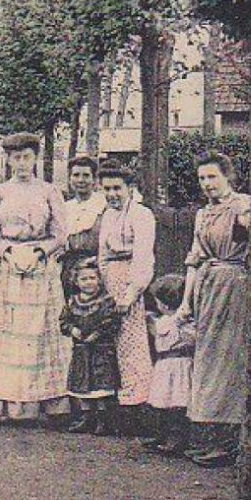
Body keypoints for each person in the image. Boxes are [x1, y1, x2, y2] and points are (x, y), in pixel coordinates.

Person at [0, 133, 70, 423]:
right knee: (9, 334)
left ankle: (46, 403)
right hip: (6, 268)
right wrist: (8, 252)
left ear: (35, 158)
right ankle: (8, 404)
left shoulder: (49, 192)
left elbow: (61, 235)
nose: (21, 163)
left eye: (26, 157)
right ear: (9, 160)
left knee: (40, 333)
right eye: (16, 158)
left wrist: (40, 251)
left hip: (41, 266)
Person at [178, 153, 250, 468]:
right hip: (208, 289)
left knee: (228, 360)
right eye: (202, 179)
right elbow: (194, 261)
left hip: (234, 287)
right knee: (207, 360)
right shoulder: (203, 214)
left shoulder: (242, 205)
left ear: (227, 177)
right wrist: (185, 302)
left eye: (212, 177)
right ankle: (212, 438)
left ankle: (231, 443)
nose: (207, 184)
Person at [96, 162, 156, 435]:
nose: (112, 194)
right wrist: (105, 287)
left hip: (133, 284)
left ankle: (138, 409)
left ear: (130, 188)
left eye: (117, 188)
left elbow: (143, 257)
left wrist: (130, 293)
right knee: (111, 345)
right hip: (111, 282)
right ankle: (114, 409)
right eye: (107, 189)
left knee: (134, 347)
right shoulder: (108, 216)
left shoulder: (142, 215)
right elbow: (103, 255)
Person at [60, 259, 122, 435]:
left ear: (99, 280)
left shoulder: (107, 301)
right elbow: (64, 322)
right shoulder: (73, 302)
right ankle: (87, 418)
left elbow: (112, 321)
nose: (89, 282)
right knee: (83, 384)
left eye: (92, 278)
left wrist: (98, 333)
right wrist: (73, 330)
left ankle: (103, 420)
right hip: (81, 350)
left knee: (101, 384)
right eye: (84, 279)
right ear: (76, 282)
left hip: (100, 349)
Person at [144, 274, 195, 455]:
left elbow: (191, 338)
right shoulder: (162, 320)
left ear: (164, 304)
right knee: (163, 400)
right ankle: (162, 434)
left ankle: (177, 438)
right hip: (164, 364)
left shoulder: (183, 322)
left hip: (178, 364)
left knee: (177, 402)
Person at [60, 156, 107, 298]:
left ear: (94, 179)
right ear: (69, 179)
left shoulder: (103, 205)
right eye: (76, 175)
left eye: (86, 175)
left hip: (96, 270)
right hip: (70, 270)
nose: (81, 180)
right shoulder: (65, 208)